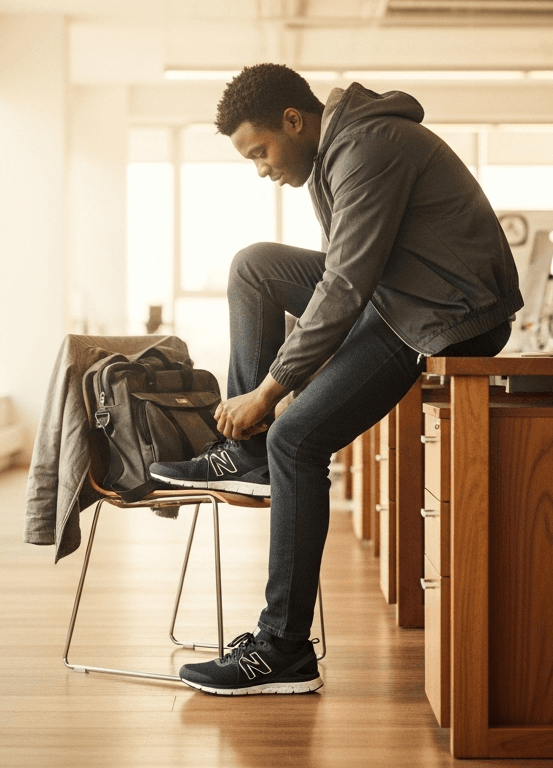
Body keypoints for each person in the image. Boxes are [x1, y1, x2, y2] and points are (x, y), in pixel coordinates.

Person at [149, 63, 523, 695]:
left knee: (294, 438)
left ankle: (283, 649)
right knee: (256, 268)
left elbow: (346, 283)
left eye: (261, 151)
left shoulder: (367, 149)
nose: (261, 169)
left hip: (446, 316)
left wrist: (270, 390)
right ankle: (247, 455)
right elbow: (343, 284)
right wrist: (290, 377)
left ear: (295, 121)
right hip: (403, 299)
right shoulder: (338, 152)